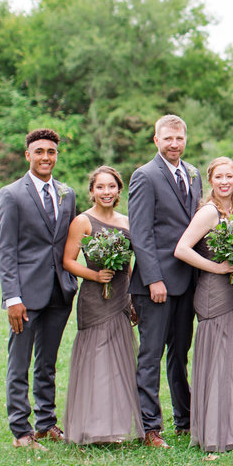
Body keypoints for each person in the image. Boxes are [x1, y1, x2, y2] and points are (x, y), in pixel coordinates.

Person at [0, 128, 79, 449]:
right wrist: (12, 298)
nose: (46, 157)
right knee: (19, 364)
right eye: (40, 151)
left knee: (47, 363)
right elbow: (6, 250)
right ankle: (21, 431)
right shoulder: (11, 194)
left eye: (52, 152)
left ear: (57, 155)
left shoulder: (66, 193)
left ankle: (46, 423)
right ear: (27, 155)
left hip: (60, 292)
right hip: (25, 296)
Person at [128, 114, 202, 448]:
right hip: (155, 284)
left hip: (188, 281)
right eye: (167, 138)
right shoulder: (144, 176)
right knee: (151, 354)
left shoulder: (194, 174)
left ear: (185, 139)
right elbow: (140, 234)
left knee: (179, 353)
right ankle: (149, 427)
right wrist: (153, 278)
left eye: (179, 138)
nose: (174, 144)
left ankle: (185, 420)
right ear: (156, 140)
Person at [61, 166, 144, 444]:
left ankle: (115, 427)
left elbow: (129, 265)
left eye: (111, 187)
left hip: (120, 296)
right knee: (96, 362)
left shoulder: (128, 221)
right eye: (100, 187)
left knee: (118, 363)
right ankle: (92, 428)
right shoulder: (82, 221)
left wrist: (131, 297)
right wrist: (95, 275)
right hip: (95, 298)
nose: (106, 192)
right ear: (92, 191)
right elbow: (69, 261)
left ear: (119, 190)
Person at [173, 157, 233, 453]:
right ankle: (212, 432)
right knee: (214, 359)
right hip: (211, 293)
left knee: (226, 360)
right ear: (211, 181)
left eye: (229, 176)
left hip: (232, 294)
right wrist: (214, 268)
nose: (224, 182)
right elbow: (181, 249)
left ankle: (227, 429)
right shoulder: (208, 212)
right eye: (219, 177)